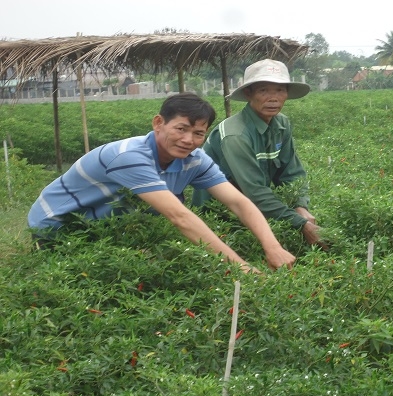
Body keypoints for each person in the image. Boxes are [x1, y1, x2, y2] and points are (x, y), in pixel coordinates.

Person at [27, 92, 295, 273]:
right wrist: (242, 269)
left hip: (108, 223)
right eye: (181, 128)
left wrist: (273, 248)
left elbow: (238, 202)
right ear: (158, 123)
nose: (188, 140)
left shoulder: (195, 159)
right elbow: (179, 217)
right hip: (59, 226)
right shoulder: (129, 157)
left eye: (198, 133)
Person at [192, 59, 325, 248]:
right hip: (218, 220)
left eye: (280, 90)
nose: (273, 98)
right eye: (264, 90)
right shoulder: (235, 135)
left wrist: (300, 205)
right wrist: (299, 223)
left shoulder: (282, 124)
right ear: (248, 93)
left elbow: (292, 173)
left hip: (254, 212)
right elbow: (254, 191)